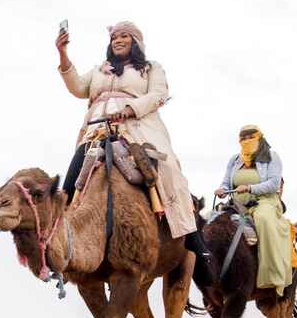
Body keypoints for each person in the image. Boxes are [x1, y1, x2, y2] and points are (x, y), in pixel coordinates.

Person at [55, 21, 212, 284]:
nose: (117, 40)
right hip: (98, 129)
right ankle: (61, 233)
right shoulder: (99, 70)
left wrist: (130, 109)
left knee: (170, 170)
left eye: (124, 36)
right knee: (71, 178)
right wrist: (62, 54)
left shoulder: (151, 69)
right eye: (114, 36)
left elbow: (160, 94)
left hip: (139, 127)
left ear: (135, 41)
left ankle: (192, 236)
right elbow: (77, 89)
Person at [214, 125, 291, 291]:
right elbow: (227, 181)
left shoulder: (271, 156)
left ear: (259, 137)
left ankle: (272, 275)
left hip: (264, 202)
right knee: (210, 220)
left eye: (251, 137)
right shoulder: (235, 160)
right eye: (243, 138)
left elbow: (273, 183)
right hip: (236, 204)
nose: (247, 141)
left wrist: (250, 188)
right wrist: (222, 189)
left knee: (264, 220)